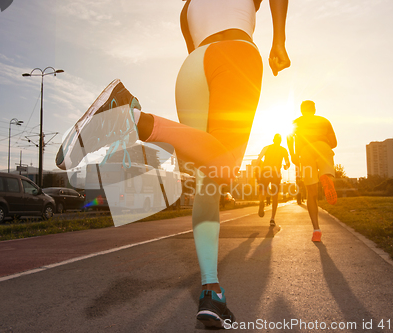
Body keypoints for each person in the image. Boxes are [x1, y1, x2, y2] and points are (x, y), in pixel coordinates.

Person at [58, 0, 290, 328]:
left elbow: (195, 48)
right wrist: (279, 39)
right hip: (236, 55)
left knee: (207, 179)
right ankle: (131, 117)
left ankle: (211, 291)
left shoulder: (187, 9)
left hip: (191, 69)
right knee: (223, 169)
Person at [287, 100, 337, 242]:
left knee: (311, 193)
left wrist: (293, 155)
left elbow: (289, 138)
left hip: (305, 150)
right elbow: (334, 143)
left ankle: (316, 230)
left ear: (302, 110)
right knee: (327, 173)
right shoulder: (324, 121)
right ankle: (326, 178)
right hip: (323, 147)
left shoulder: (296, 122)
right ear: (314, 109)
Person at [255, 133, 290, 226]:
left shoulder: (266, 148)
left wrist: (256, 169)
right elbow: (287, 163)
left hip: (265, 171)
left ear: (273, 140)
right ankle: (272, 218)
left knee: (263, 190)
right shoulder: (283, 150)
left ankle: (262, 201)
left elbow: (258, 159)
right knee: (275, 195)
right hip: (275, 173)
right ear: (280, 141)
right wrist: (285, 166)